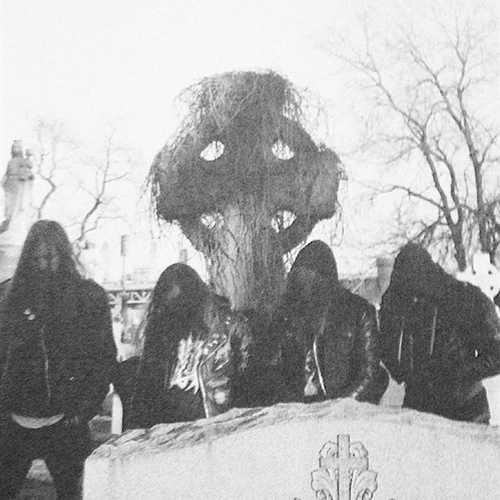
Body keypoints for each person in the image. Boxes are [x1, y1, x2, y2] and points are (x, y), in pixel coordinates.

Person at [0, 220, 117, 499]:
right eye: (37, 258)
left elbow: (103, 357)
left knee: (74, 493)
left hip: (66, 421)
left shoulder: (88, 297)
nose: (44, 264)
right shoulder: (9, 298)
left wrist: (84, 409)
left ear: (64, 255)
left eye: (51, 257)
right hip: (15, 419)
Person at [379, 243, 500, 424]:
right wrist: (404, 370)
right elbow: (388, 348)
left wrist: (457, 373)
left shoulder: (464, 299)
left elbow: (496, 354)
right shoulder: (397, 301)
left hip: (463, 409)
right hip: (418, 408)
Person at [257, 240, 388, 406]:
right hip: (297, 409)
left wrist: (340, 405)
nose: (302, 283)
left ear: (323, 278)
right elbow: (270, 366)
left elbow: (369, 371)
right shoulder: (287, 314)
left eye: (309, 275)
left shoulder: (358, 312)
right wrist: (289, 403)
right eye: (298, 275)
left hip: (342, 407)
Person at [125, 263, 251, 429]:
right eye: (168, 305)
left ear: (193, 298)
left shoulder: (229, 326)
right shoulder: (161, 328)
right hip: (167, 425)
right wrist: (135, 431)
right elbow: (145, 388)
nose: (173, 311)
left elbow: (247, 380)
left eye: (179, 304)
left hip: (214, 421)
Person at [1, 140, 34, 231]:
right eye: (14, 148)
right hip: (10, 185)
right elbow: (7, 173)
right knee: (9, 206)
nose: (15, 149)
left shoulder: (22, 161)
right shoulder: (11, 161)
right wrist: (3, 181)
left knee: (16, 206)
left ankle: (14, 223)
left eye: (17, 147)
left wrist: (29, 156)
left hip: (18, 184)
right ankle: (9, 221)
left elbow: (29, 165)